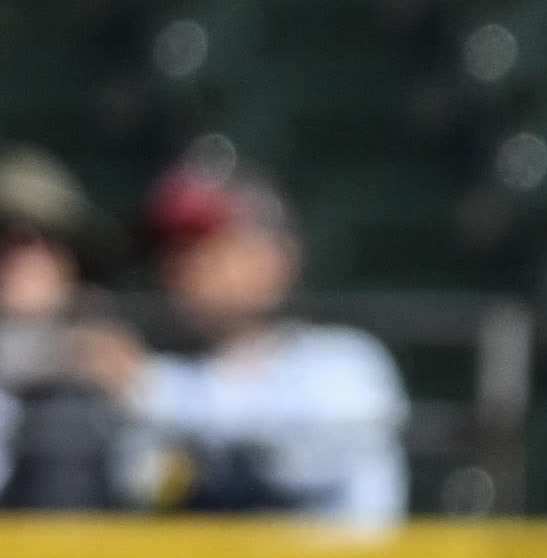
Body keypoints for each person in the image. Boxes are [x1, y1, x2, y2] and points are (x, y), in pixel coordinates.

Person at [74, 153, 404, 525]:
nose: (179, 268)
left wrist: (151, 390)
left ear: (276, 258)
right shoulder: (166, 377)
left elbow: (296, 462)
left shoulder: (345, 363)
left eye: (204, 245)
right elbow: (140, 489)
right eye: (170, 251)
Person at [0, 148, 121, 510]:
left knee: (66, 415)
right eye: (7, 237)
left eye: (45, 239)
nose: (24, 256)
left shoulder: (123, 361)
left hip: (90, 556)